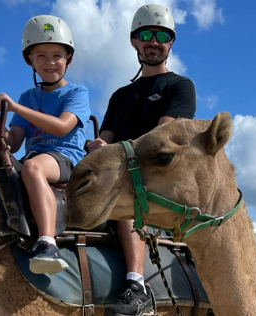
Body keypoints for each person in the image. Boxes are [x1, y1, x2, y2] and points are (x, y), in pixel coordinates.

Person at [86, 4, 196, 316]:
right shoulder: (120, 95)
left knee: (125, 198)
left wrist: (114, 151)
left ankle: (137, 286)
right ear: (134, 41)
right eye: (145, 34)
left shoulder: (180, 86)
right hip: (115, 170)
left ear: (170, 43)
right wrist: (98, 146)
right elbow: (104, 137)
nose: (153, 41)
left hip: (159, 176)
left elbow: (163, 137)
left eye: (161, 35)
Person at [0, 15, 91, 275]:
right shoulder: (27, 97)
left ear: (68, 59)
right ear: (31, 61)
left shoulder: (77, 93)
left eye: (57, 55)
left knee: (32, 168)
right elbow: (13, 143)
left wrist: (15, 108)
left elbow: (62, 127)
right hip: (35, 158)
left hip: (66, 158)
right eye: (41, 56)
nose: (50, 62)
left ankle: (47, 243)